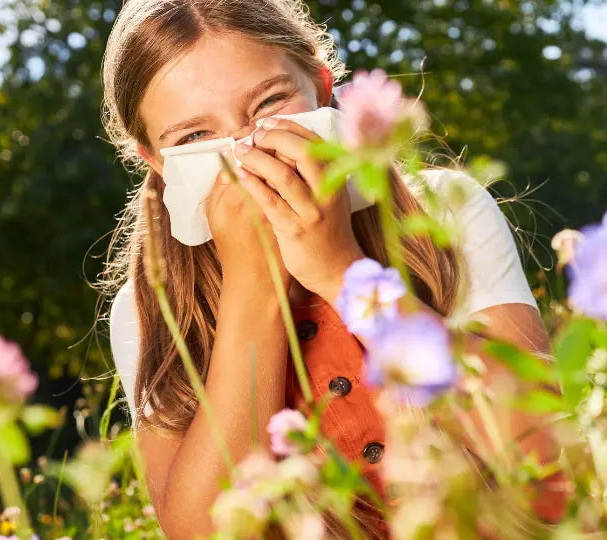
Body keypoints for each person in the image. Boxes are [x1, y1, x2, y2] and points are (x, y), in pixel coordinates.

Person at [98, 0, 563, 537]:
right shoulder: (148, 306)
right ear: (156, 160)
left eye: (269, 103)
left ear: (321, 88)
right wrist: (254, 291)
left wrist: (341, 270)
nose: (244, 150)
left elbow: (542, 447)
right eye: (194, 138)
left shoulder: (442, 211)